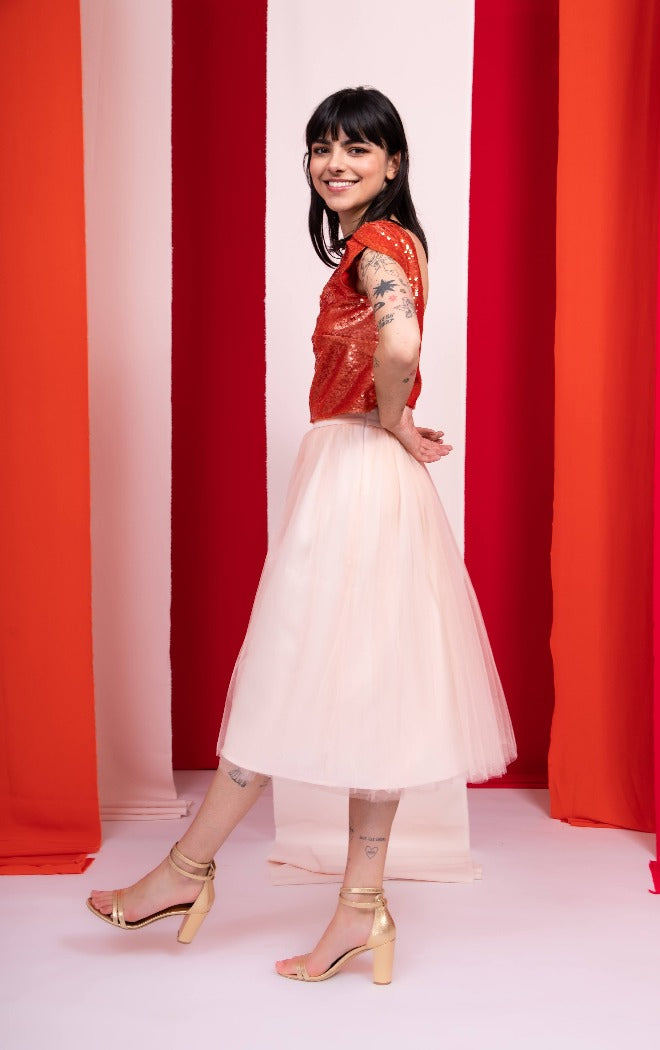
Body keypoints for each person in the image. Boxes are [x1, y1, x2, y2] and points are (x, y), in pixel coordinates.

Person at [87, 86, 516, 984]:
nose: (335, 163)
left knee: (290, 670)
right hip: (369, 477)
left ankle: (188, 871)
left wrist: (391, 419)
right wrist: (394, 423)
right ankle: (358, 910)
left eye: (358, 148)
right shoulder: (398, 242)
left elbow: (400, 345)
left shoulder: (376, 245)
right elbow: (397, 346)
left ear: (393, 165)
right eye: (323, 147)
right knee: (373, 689)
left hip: (358, 476)